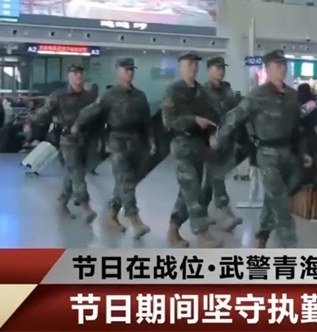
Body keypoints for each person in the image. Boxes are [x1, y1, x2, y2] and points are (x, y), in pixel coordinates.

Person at [213, 50, 313, 248]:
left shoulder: (292, 96)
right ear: (267, 69)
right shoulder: (257, 95)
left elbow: (299, 128)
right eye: (277, 65)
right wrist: (218, 140)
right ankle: (289, 245)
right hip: (267, 153)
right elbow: (234, 118)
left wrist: (304, 152)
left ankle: (262, 236)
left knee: (274, 197)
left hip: (288, 152)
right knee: (280, 200)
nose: (282, 69)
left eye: (284, 65)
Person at [75, 58, 153, 237]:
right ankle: (135, 220)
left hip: (136, 142)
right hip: (117, 141)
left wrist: (151, 141)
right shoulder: (110, 95)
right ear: (118, 71)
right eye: (126, 69)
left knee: (126, 182)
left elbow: (146, 121)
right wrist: (77, 126)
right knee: (126, 182)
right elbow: (89, 113)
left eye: (132, 69)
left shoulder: (139, 95)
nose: (129, 73)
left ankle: (111, 214)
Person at [162, 52, 222, 248]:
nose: (193, 67)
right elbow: (169, 121)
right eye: (189, 64)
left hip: (200, 145)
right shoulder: (173, 91)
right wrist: (193, 120)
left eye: (196, 64)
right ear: (180, 66)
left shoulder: (202, 91)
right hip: (182, 144)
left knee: (186, 191)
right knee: (193, 189)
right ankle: (201, 233)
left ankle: (173, 230)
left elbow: (212, 115)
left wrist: (212, 132)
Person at [30, 65, 99, 222]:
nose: (78, 76)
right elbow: (43, 115)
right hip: (68, 139)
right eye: (75, 73)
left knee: (73, 172)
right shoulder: (59, 96)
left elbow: (96, 117)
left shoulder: (89, 97)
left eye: (80, 73)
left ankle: (62, 202)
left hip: (86, 139)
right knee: (76, 172)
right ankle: (85, 206)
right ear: (69, 76)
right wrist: (41, 124)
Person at [198, 56, 243, 231]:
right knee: (216, 175)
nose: (221, 71)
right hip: (209, 141)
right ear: (209, 70)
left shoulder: (228, 90)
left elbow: (234, 114)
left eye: (223, 68)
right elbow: (201, 116)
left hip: (227, 140)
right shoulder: (202, 92)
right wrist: (208, 136)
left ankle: (200, 212)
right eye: (217, 68)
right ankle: (226, 212)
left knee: (212, 178)